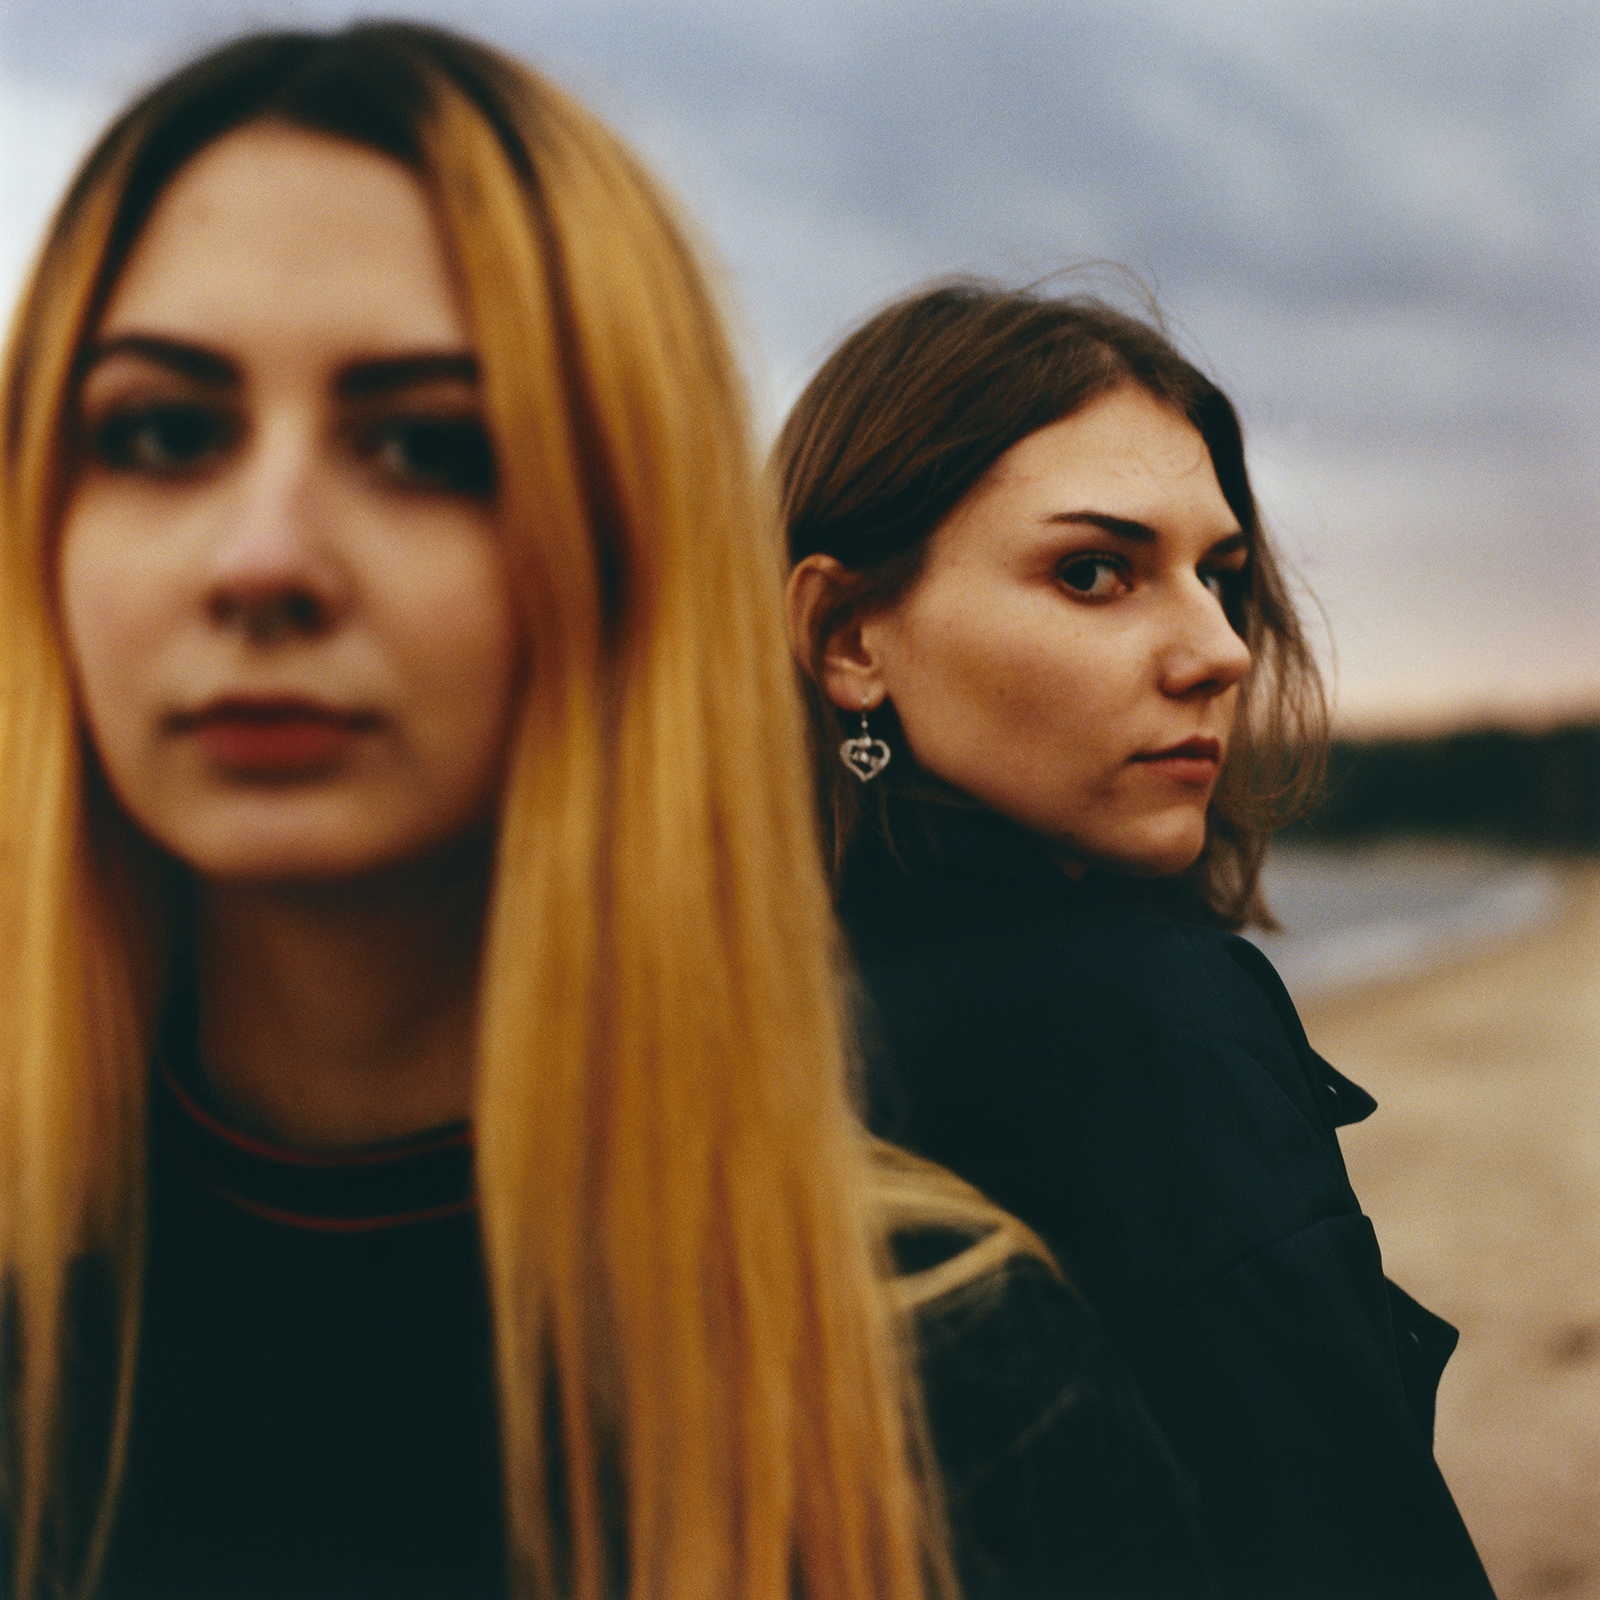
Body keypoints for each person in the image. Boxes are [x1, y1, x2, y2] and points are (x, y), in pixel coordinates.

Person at [0, 27, 1212, 1600]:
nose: (264, 559)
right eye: (165, 432)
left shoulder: (942, 1382)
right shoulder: (33, 1343)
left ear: (629, 552)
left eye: (425, 445)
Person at [781, 282, 1498, 1600]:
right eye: (1096, 571)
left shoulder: (733, 1019)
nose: (1220, 649)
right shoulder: (1149, 1026)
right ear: (846, 639)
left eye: (1222, 577)